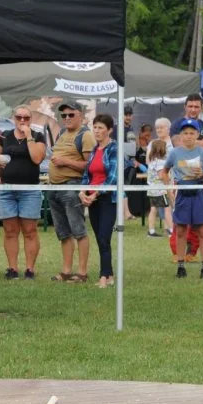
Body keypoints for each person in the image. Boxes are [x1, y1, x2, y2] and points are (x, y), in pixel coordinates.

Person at [0, 105, 46, 280]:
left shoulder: (38, 136)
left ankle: (30, 269)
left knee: (30, 230)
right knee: (10, 230)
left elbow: (37, 158)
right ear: (13, 118)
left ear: (31, 120)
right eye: (19, 117)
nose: (22, 121)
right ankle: (12, 268)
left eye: (26, 118)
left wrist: (29, 136)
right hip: (7, 189)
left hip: (30, 189)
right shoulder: (5, 136)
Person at [162, 118, 203, 279]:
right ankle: (180, 265)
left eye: (192, 133)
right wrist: (169, 189)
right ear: (180, 135)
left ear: (197, 135)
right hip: (181, 192)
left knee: (201, 230)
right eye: (185, 133)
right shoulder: (175, 153)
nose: (188, 136)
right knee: (180, 230)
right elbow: (164, 171)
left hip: (199, 192)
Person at [47, 101, 95, 282]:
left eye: (71, 115)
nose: (66, 118)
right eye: (64, 115)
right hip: (55, 187)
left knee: (78, 231)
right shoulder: (60, 133)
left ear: (81, 116)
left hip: (72, 187)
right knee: (63, 233)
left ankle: (82, 273)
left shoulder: (86, 135)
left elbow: (90, 167)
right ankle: (66, 271)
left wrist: (65, 162)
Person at [78, 114, 119, 288]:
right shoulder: (95, 150)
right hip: (92, 198)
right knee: (101, 238)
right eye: (95, 127)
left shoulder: (114, 149)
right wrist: (82, 192)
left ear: (109, 130)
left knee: (104, 236)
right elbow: (88, 175)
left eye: (101, 127)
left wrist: (95, 194)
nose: (97, 131)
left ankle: (103, 276)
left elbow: (113, 176)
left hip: (107, 198)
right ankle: (109, 275)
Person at [146, 140, 173, 237]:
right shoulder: (161, 163)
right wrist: (169, 178)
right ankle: (171, 230)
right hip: (161, 190)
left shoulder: (152, 162)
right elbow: (162, 176)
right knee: (168, 209)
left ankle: (151, 230)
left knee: (153, 209)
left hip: (152, 190)